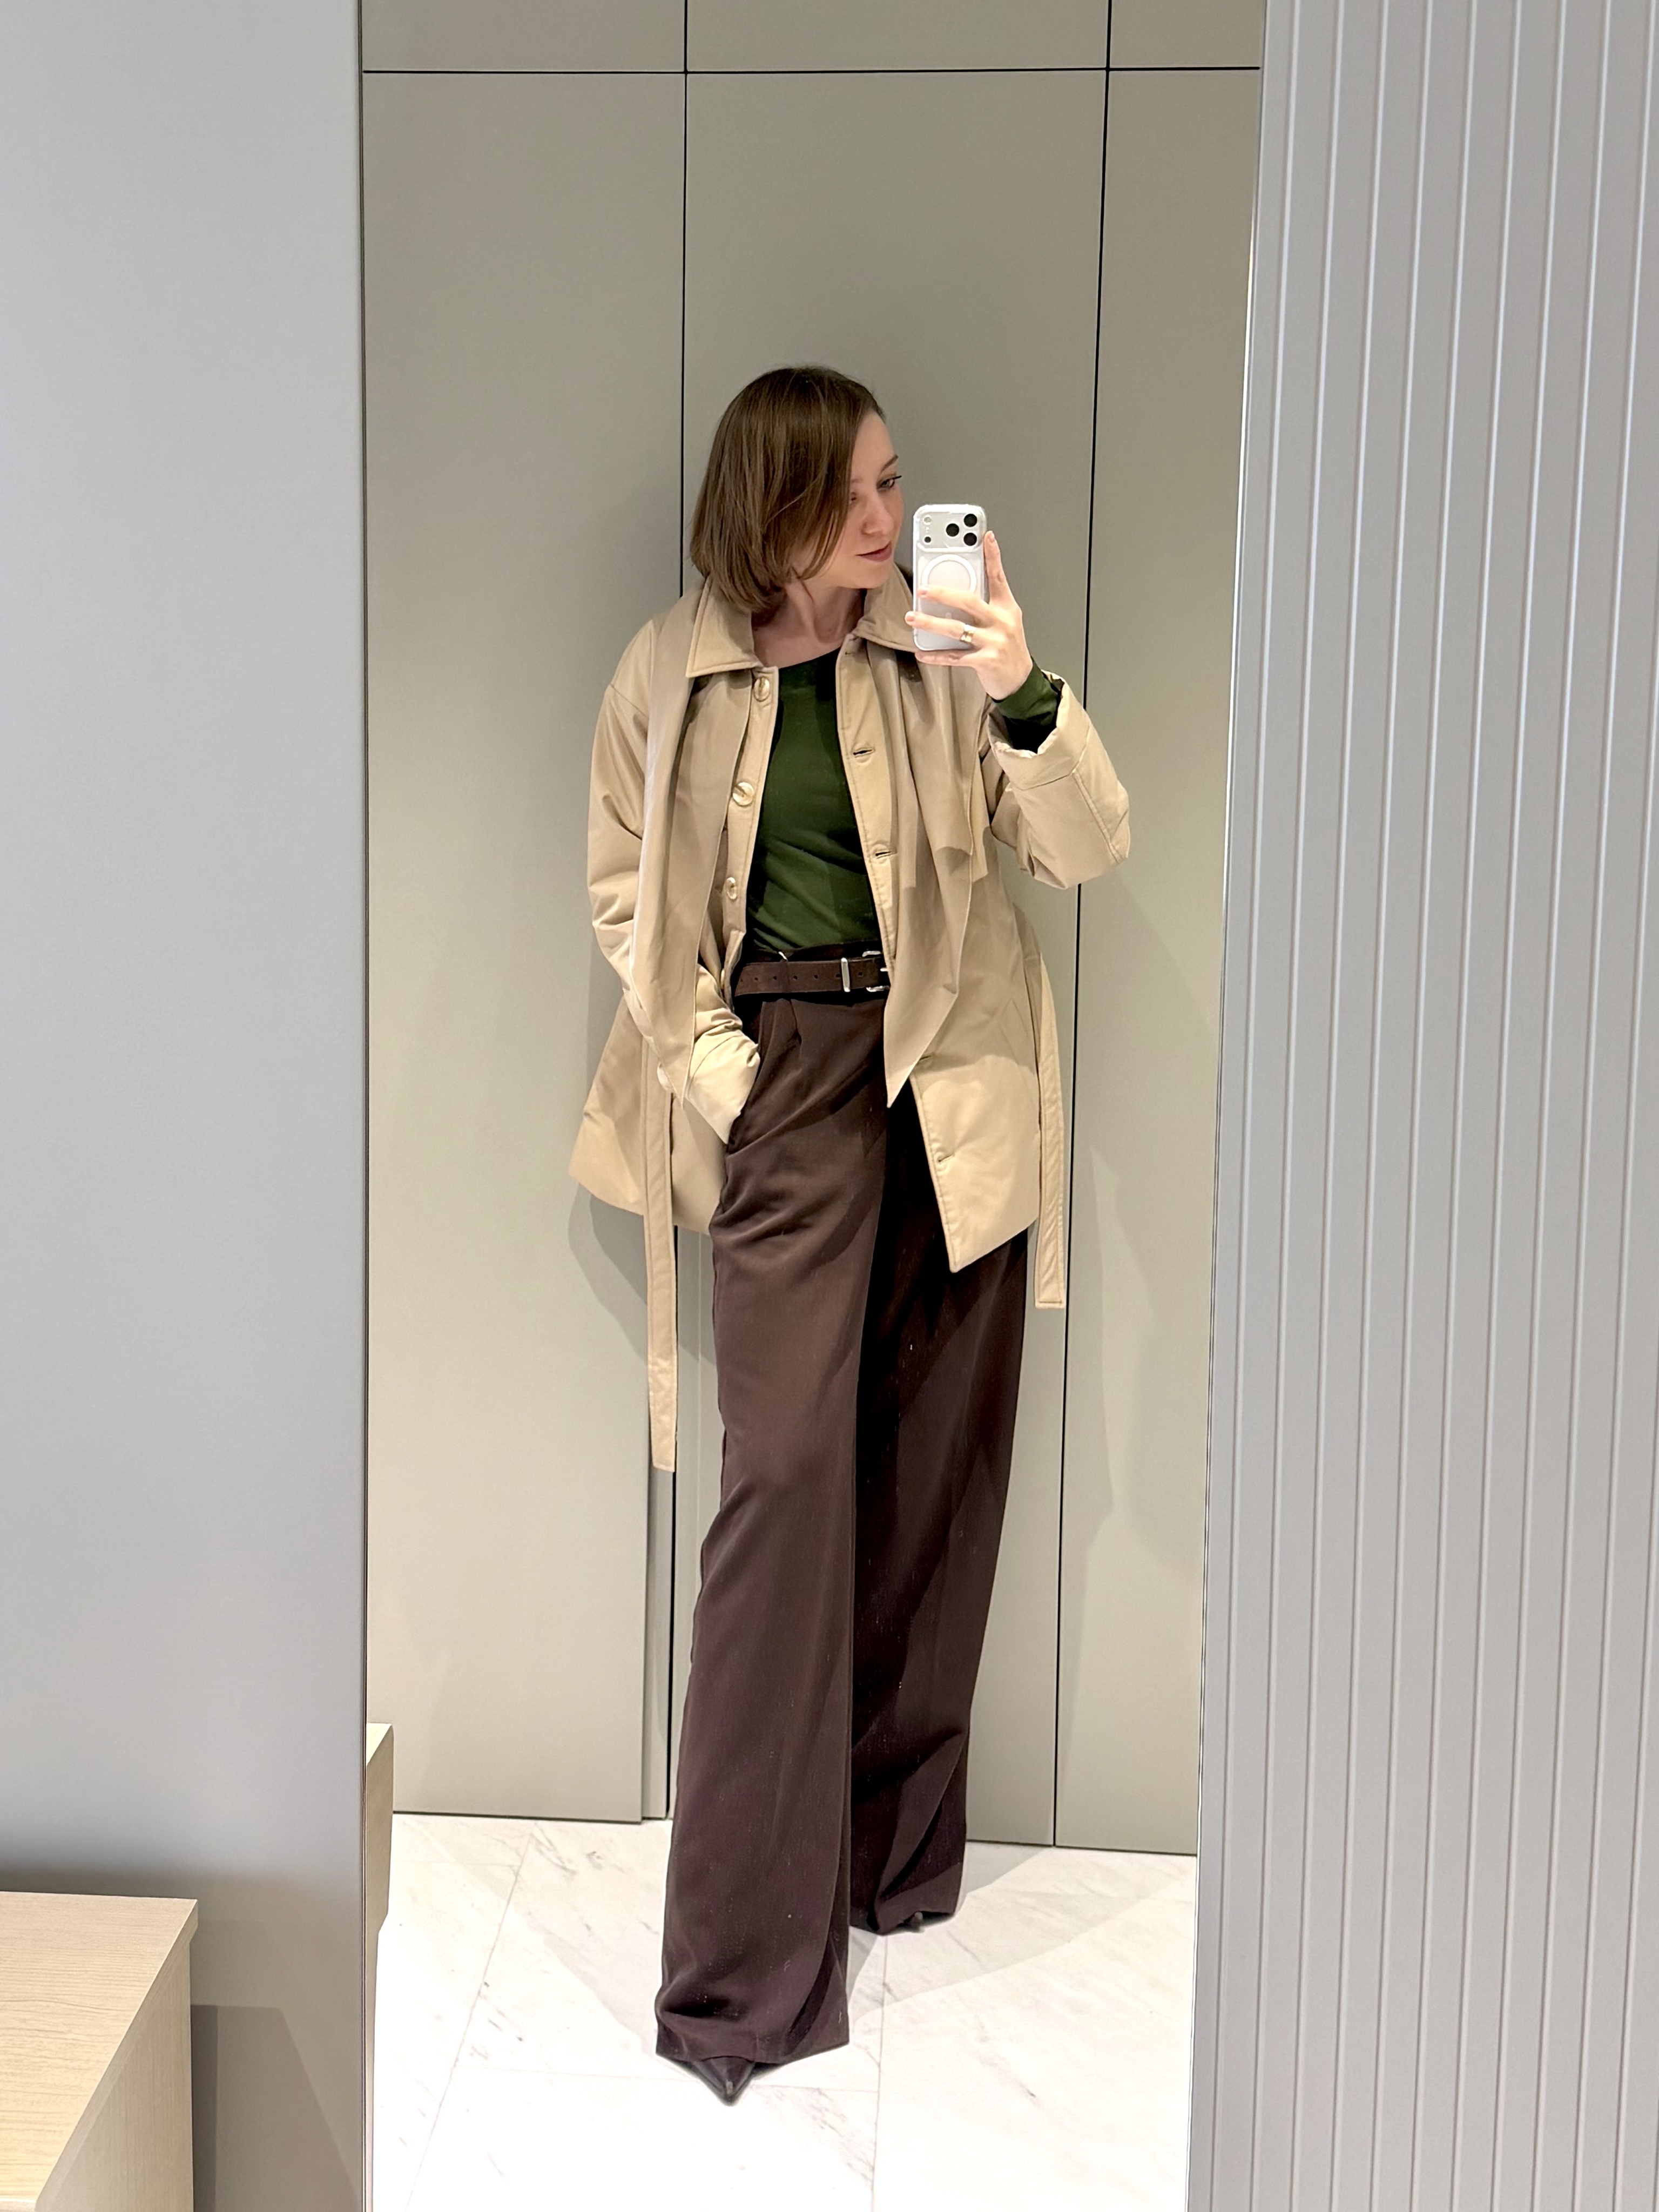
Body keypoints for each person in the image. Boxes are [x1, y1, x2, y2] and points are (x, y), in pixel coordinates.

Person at [571, 365, 1129, 2105]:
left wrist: (1019, 686)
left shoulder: (939, 648)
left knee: (934, 1470)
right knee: (790, 1479)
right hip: (787, 1075)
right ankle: (741, 1972)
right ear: (783, 502)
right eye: (863, 491)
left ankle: (890, 1856)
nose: (893, 517)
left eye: (900, 486)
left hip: (953, 1070)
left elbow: (1088, 848)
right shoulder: (669, 671)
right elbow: (625, 894)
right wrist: (722, 1073)